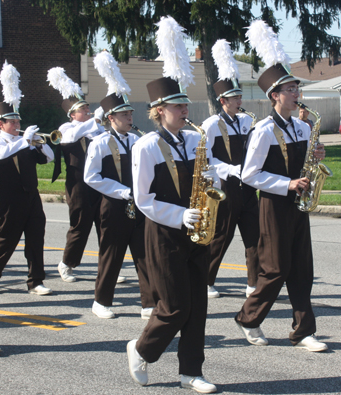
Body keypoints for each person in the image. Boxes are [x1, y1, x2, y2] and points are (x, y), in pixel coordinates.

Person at [235, 22, 328, 353]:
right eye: (290, 89)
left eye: (296, 88)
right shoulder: (262, 131)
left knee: (303, 268)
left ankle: (304, 331)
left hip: (298, 204)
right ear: (275, 96)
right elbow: (249, 174)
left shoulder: (303, 127)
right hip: (273, 206)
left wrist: (316, 155)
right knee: (275, 270)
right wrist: (287, 183)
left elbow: (306, 162)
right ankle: (249, 319)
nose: (296, 93)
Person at [127, 76, 219, 392]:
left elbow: (209, 173)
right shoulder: (147, 146)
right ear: (159, 111)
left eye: (185, 104)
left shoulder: (195, 140)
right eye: (178, 106)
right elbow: (143, 200)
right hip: (164, 233)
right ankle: (141, 350)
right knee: (176, 305)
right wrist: (180, 215)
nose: (185, 110)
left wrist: (213, 184)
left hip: (196, 231)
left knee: (197, 306)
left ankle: (191, 371)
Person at [83, 93, 155, 319]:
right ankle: (101, 301)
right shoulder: (100, 142)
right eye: (124, 114)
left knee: (144, 254)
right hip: (114, 206)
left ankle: (149, 303)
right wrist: (122, 192)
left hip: (138, 205)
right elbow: (90, 177)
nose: (129, 117)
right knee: (111, 254)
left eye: (131, 113)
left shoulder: (136, 140)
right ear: (111, 118)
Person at [0, 101, 54, 296]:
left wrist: (40, 142)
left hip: (32, 196)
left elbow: (49, 158)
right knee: (7, 239)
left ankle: (35, 281)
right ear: (0, 125)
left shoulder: (26, 142)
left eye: (17, 122)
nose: (16, 126)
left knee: (36, 238)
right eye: (12, 122)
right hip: (10, 199)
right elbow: (1, 155)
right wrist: (25, 141)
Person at [202, 58, 260, 299]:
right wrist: (231, 169)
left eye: (240, 97)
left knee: (255, 237)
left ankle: (253, 284)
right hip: (226, 187)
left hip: (248, 187)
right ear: (223, 101)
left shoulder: (247, 121)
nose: (240, 101)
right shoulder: (211, 125)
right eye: (235, 98)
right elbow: (206, 160)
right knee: (221, 236)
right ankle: (206, 280)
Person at [47, 68, 106, 283]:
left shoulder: (94, 130)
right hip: (78, 184)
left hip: (98, 182)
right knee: (80, 225)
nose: (88, 111)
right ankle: (67, 263)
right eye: (83, 109)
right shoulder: (67, 127)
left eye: (88, 108)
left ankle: (107, 267)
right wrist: (95, 121)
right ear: (72, 115)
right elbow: (72, 136)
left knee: (104, 225)